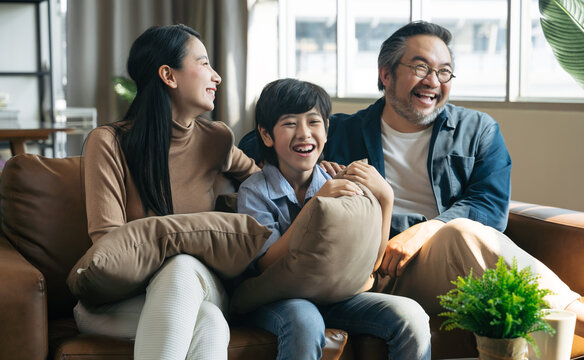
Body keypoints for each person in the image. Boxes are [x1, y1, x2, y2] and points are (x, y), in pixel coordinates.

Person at [320, 20, 584, 336]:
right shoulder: (336, 132)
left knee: (460, 233)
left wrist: (426, 230)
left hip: (439, 267)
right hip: (366, 270)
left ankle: (575, 318)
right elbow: (263, 143)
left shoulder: (478, 131)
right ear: (386, 74)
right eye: (420, 68)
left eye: (444, 71)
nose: (433, 81)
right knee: (460, 234)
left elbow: (490, 208)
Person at [74, 24, 259, 360]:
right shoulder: (110, 143)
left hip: (201, 284)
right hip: (121, 301)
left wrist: (321, 175)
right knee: (211, 323)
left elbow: (267, 186)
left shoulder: (217, 140)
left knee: (182, 268)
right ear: (168, 76)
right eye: (203, 63)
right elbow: (109, 243)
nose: (215, 76)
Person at [236, 78, 431, 360]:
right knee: (305, 322)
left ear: (327, 129)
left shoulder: (339, 180)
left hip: (338, 295)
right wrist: (316, 205)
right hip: (278, 298)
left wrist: (386, 199)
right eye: (290, 123)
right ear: (266, 135)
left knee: (411, 316)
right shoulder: (254, 191)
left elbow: (370, 267)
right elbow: (267, 264)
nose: (304, 133)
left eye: (313, 122)